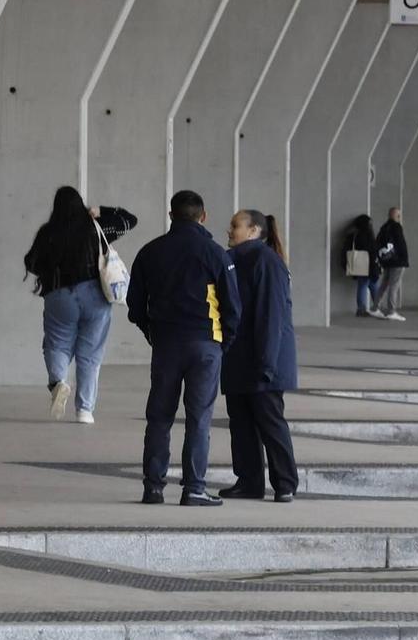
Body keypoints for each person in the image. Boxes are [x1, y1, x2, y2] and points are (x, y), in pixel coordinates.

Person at [128, 190, 240, 507]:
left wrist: (151, 331)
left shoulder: (150, 252)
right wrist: (222, 343)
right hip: (205, 344)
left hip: (166, 344)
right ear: (202, 216)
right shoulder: (216, 254)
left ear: (171, 215)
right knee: (198, 419)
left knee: (159, 418)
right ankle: (194, 489)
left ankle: (153, 488)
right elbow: (233, 308)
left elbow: (135, 305)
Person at [24, 187, 137, 424]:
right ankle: (85, 410)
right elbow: (129, 220)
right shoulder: (94, 228)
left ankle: (58, 382)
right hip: (94, 294)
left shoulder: (48, 233)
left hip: (59, 296)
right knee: (90, 354)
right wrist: (101, 211)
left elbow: (31, 262)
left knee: (57, 344)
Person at [220, 209, 299, 503]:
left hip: (263, 361)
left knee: (269, 421)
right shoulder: (236, 261)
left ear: (254, 231)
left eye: (235, 225)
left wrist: (266, 365)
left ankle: (285, 483)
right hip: (241, 359)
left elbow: (271, 317)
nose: (229, 230)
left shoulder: (265, 261)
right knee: (241, 423)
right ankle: (249, 481)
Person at [372, 206, 411, 322]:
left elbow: (377, 243)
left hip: (388, 260)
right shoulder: (397, 227)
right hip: (398, 261)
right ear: (397, 216)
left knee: (384, 284)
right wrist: (404, 259)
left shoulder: (384, 227)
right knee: (394, 286)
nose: (399, 217)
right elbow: (401, 244)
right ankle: (391, 311)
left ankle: (375, 307)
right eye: (398, 215)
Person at [343, 213, 378, 316]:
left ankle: (374, 306)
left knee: (371, 284)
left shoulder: (354, 235)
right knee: (366, 284)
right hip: (367, 265)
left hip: (359, 265)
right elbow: (372, 250)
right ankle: (363, 308)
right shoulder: (367, 235)